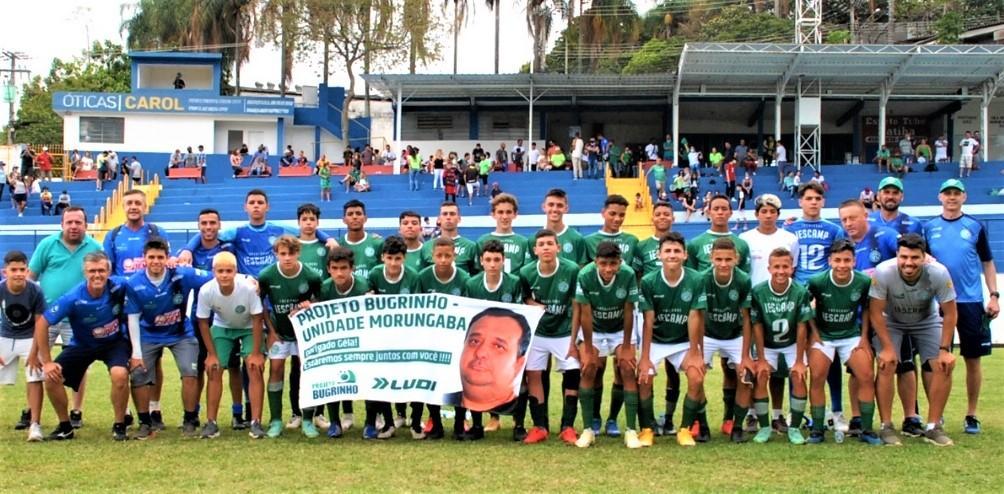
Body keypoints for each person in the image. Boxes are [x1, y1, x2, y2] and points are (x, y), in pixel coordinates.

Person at [34, 252, 138, 441]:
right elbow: (42, 323)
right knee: (50, 378)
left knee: (120, 375)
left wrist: (173, 263)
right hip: (83, 344)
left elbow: (144, 277)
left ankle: (120, 424)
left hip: (114, 343)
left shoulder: (120, 285)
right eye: (92, 271)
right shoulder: (73, 297)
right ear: (84, 273)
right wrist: (47, 362)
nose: (97, 275)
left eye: (101, 270)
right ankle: (65, 426)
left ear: (109, 271)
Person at [924, 179, 999, 435]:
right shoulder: (929, 227)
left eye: (956, 193)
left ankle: (971, 414)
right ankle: (938, 414)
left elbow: (988, 263)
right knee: (937, 360)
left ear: (964, 197)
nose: (952, 197)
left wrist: (994, 295)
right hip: (938, 303)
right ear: (940, 197)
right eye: (948, 193)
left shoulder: (975, 226)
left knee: (973, 360)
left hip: (970, 302)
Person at [870, 234, 958, 446]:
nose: (908, 263)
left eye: (914, 258)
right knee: (886, 363)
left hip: (926, 320)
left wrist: (945, 349)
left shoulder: (938, 272)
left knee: (942, 365)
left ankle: (934, 426)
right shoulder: (883, 272)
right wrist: (888, 348)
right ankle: (886, 426)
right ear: (897, 256)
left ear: (924, 257)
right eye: (904, 257)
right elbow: (875, 312)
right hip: (892, 321)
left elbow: (950, 312)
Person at [124, 238, 213, 439]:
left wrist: (248, 279)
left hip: (181, 334)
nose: (156, 261)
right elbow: (133, 318)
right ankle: (145, 422)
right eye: (151, 257)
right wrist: (136, 353)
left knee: (190, 372)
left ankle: (190, 420)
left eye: (160, 257)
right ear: (144, 259)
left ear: (167, 258)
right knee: (138, 374)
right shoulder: (135, 283)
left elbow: (217, 276)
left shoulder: (182, 274)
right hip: (149, 334)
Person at [28, 206, 103, 428]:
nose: (73, 226)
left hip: (78, 318)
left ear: (85, 225)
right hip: (47, 316)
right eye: (69, 222)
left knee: (78, 365)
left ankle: (76, 410)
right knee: (37, 362)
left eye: (78, 222)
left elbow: (101, 279)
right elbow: (31, 279)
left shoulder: (95, 247)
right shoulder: (47, 245)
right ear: (62, 224)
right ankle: (31, 410)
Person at [805, 239, 882, 445]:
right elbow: (804, 306)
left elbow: (867, 308)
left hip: (851, 335)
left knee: (866, 375)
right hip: (824, 336)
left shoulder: (863, 281)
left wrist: (864, 337)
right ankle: (818, 430)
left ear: (854, 261)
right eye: (837, 260)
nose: (842, 265)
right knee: (818, 376)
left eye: (846, 260)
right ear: (830, 261)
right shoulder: (817, 281)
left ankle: (866, 429)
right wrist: (813, 333)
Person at [635, 232, 708, 447]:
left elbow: (695, 316)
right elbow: (648, 321)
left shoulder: (696, 279)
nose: (672, 254)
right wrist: (645, 357)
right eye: (668, 251)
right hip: (656, 340)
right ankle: (647, 429)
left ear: (685, 255)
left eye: (677, 251)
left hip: (683, 341)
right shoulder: (649, 281)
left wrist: (695, 352)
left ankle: (684, 429)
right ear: (659, 255)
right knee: (645, 378)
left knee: (696, 377)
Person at [867, 176, 925, 436]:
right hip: (874, 302)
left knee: (906, 361)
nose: (890, 196)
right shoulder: (867, 224)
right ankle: (883, 420)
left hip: (904, 304)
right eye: (886, 192)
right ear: (878, 196)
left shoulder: (914, 224)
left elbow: (923, 260)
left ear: (901, 196)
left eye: (895, 192)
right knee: (881, 362)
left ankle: (912, 415)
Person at [573, 241, 642, 448]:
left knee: (627, 368)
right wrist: (586, 347)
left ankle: (630, 430)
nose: (608, 269)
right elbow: (585, 313)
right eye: (603, 264)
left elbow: (629, 310)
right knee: (588, 369)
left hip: (620, 328)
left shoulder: (628, 274)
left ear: (620, 263)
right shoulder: (585, 275)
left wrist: (628, 345)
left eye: (613, 264)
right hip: (593, 328)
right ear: (596, 262)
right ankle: (587, 430)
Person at [519, 230, 581, 445]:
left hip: (564, 331)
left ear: (558, 247)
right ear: (535, 250)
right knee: (534, 375)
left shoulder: (571, 270)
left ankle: (568, 426)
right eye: (541, 244)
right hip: (538, 332)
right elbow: (524, 298)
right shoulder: (526, 272)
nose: (545, 247)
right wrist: (533, 304)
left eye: (549, 244)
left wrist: (575, 339)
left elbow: (577, 304)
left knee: (572, 373)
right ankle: (539, 427)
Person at [258, 236, 323, 438]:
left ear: (298, 253)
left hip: (304, 334)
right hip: (279, 333)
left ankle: (307, 419)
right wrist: (270, 331)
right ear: (276, 254)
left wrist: (311, 303)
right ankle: (276, 420)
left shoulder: (311, 276)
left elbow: (321, 301)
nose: (287, 258)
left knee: (306, 373)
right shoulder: (267, 275)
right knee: (276, 369)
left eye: (291, 253)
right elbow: (260, 306)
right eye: (282, 254)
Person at [196, 253, 266, 440]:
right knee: (214, 368)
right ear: (213, 272)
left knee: (254, 367)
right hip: (223, 326)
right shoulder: (206, 290)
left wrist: (256, 352)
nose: (225, 275)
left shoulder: (249, 288)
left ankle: (256, 422)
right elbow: (203, 322)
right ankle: (211, 422)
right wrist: (211, 355)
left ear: (236, 271)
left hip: (249, 327)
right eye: (220, 271)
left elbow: (258, 319)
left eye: (229, 271)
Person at [749, 247, 813, 444]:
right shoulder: (759, 291)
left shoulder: (800, 291)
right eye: (776, 266)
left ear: (792, 268)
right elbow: (757, 326)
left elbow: (802, 326)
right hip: (767, 343)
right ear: (769, 268)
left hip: (792, 342)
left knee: (799, 375)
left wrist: (800, 360)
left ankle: (794, 428)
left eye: (785, 266)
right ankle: (765, 427)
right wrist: (760, 359)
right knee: (761, 375)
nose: (781, 271)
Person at [462, 242, 524, 441]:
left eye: (496, 260)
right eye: (488, 260)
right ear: (481, 261)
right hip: (481, 341)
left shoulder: (514, 282)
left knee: (516, 378)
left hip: (507, 342)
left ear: (503, 261)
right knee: (476, 377)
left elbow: (522, 312)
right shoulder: (472, 284)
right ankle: (478, 424)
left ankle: (518, 423)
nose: (492, 264)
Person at [699, 238, 755, 443]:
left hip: (735, 334)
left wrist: (746, 354)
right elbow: (696, 315)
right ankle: (702, 425)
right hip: (707, 334)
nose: (723, 264)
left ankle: (737, 427)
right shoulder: (702, 279)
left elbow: (747, 317)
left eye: (728, 259)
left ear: (736, 259)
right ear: (711, 258)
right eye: (719, 259)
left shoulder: (742, 280)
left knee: (746, 375)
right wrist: (696, 348)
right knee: (696, 375)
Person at [414, 237, 470, 440]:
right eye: (439, 255)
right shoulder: (423, 277)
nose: (444, 260)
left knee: (458, 380)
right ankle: (435, 422)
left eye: (448, 255)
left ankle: (459, 423)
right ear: (432, 256)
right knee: (433, 378)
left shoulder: (464, 278)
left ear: (455, 255)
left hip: (456, 339)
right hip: (431, 338)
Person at [316, 247, 374, 439]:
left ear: (352, 268)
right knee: (333, 378)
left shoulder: (363, 286)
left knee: (369, 378)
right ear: (328, 269)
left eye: (343, 268)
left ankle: (371, 422)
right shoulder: (324, 288)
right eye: (335, 268)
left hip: (363, 341)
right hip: (335, 343)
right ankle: (334, 422)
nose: (339, 273)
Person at [368, 236, 420, 431]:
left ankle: (414, 421)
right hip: (382, 338)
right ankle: (389, 422)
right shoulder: (374, 274)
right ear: (382, 257)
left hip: (407, 337)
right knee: (384, 378)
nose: (393, 263)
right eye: (389, 258)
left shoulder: (413, 277)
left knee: (411, 377)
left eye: (397, 259)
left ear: (404, 258)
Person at [0, 250, 46, 441]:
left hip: (29, 337)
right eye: (14, 270)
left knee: (35, 377)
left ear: (27, 270)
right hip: (5, 336)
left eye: (22, 269)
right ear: (5, 272)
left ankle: (35, 424)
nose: (18, 273)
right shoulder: (1, 288)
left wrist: (35, 353)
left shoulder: (35, 290)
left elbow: (39, 324)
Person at [459, 308, 529, 413]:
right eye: (475, 341)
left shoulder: (514, 404)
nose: (480, 353)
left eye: (498, 346)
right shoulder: (443, 396)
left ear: (518, 364)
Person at [104, 190, 168, 277]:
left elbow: (167, 263)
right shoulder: (112, 236)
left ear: (145, 207)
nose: (133, 207)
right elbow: (107, 269)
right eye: (129, 203)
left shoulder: (158, 232)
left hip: (150, 289)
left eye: (138, 203)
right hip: (123, 289)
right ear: (123, 207)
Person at [686, 194, 752, 273]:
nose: (720, 212)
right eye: (716, 209)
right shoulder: (695, 244)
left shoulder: (742, 244)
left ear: (730, 213)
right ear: (709, 212)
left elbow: (744, 278)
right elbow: (691, 276)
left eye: (724, 209)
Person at [420, 202, 480, 275]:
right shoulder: (426, 247)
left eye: (452, 214)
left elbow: (475, 277)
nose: (448, 217)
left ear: (459, 219)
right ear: (439, 219)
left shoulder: (470, 246)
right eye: (445, 214)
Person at [477, 194, 531, 275]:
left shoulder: (524, 242)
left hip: (515, 287)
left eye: (508, 212)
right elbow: (478, 272)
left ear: (515, 214)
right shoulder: (482, 241)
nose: (505, 216)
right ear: (493, 214)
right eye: (500, 212)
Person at [584, 194, 639, 267]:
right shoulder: (589, 241)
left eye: (622, 215)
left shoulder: (632, 241)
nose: (617, 219)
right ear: (603, 213)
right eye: (612, 214)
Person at [541, 188, 586, 265]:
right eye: (551, 205)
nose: (555, 209)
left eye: (559, 205)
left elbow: (581, 268)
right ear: (544, 207)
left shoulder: (577, 238)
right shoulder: (534, 239)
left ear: (566, 208)